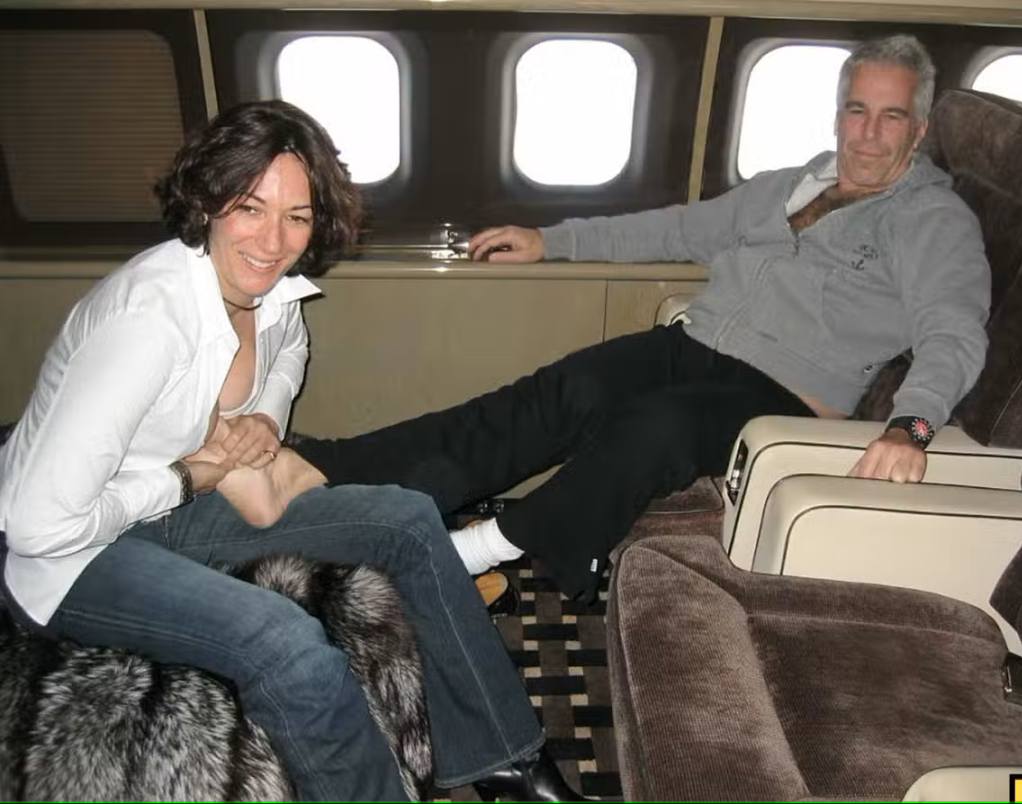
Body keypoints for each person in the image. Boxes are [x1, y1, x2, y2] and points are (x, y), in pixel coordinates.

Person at [0, 100, 584, 802]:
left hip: (169, 508)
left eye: (297, 217)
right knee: (288, 646)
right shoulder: (146, 324)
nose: (273, 240)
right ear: (207, 199)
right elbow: (36, 526)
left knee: (407, 519)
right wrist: (184, 478)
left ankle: (504, 761)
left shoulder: (270, 289)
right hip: (73, 558)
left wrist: (265, 420)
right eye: (251, 206)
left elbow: (289, 354)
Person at [290, 34, 991, 605]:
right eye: (857, 110)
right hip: (693, 347)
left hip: (786, 399)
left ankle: (469, 553)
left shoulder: (932, 219)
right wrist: (550, 242)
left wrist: (912, 426)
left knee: (660, 426)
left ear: (919, 129)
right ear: (837, 114)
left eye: (891, 116)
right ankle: (334, 468)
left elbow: (954, 330)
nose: (868, 134)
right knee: (562, 389)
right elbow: (676, 229)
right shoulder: (787, 185)